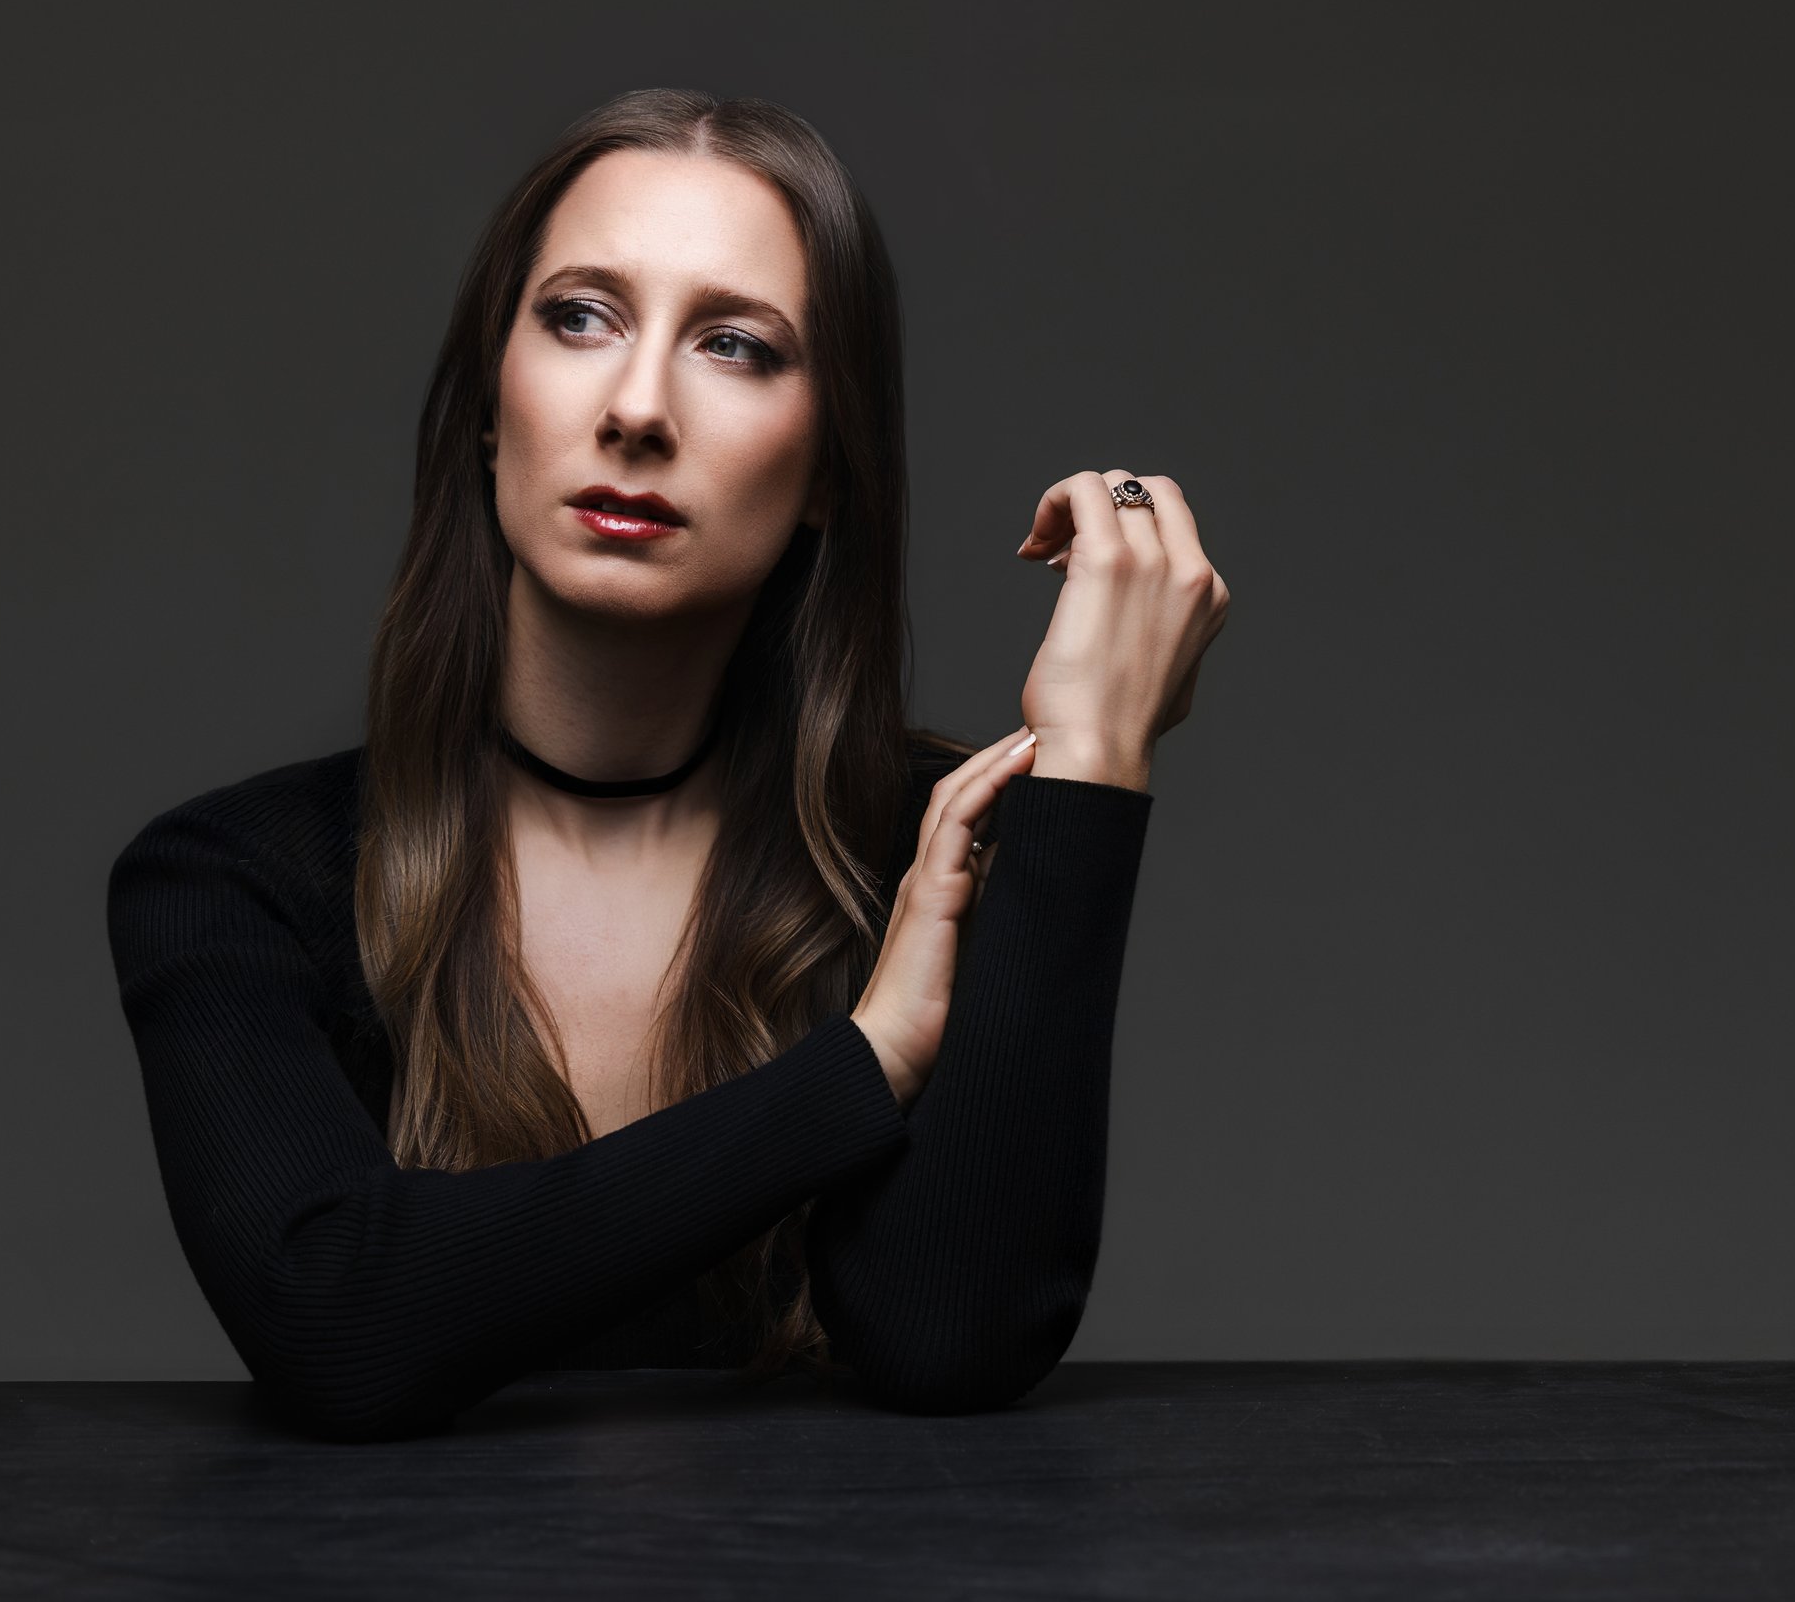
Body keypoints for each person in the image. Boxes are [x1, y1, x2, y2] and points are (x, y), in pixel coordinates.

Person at [104, 88, 1229, 1443]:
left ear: (826, 472)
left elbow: (950, 1339)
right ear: (487, 407)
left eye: (737, 346)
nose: (636, 407)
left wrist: (1094, 770)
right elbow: (341, 1321)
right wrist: (865, 1066)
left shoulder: (935, 847)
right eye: (580, 316)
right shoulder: (231, 882)